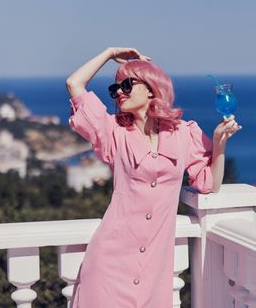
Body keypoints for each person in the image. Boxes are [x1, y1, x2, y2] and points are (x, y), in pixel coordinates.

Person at [66, 47, 241, 307]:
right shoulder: (113, 132)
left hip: (154, 268)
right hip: (110, 262)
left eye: (127, 84)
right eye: (115, 89)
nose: (120, 92)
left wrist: (219, 143)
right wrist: (110, 53)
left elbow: (209, 184)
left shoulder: (184, 133)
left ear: (151, 89)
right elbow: (74, 83)